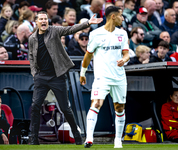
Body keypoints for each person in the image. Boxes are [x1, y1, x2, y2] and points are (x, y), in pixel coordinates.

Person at [28, 11, 103, 145]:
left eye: (45, 19)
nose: (44, 21)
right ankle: (33, 139)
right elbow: (31, 57)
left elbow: (70, 29)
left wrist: (87, 23)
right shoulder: (32, 38)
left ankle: (77, 136)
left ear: (48, 21)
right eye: (41, 19)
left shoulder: (54, 30)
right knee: (35, 106)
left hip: (57, 76)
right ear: (37, 22)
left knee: (65, 108)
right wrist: (35, 73)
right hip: (41, 77)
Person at [79, 6, 129, 148]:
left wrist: (124, 60)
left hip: (119, 77)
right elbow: (88, 55)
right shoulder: (96, 34)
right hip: (102, 77)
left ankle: (118, 140)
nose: (123, 18)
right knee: (96, 104)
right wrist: (82, 73)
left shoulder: (123, 34)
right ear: (113, 16)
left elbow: (126, 53)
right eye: (121, 16)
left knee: (119, 108)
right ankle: (89, 139)